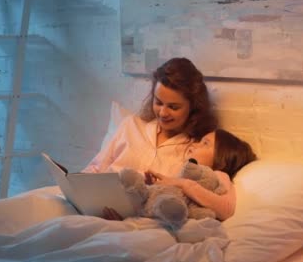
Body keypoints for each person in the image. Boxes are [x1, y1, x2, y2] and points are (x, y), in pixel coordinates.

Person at [82, 57, 217, 177]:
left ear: (193, 107)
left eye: (173, 107)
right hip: (103, 199)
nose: (163, 113)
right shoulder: (131, 125)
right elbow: (96, 168)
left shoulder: (194, 149)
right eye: (158, 102)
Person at [105, 129, 257, 221]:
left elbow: (226, 209)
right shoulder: (182, 174)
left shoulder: (219, 175)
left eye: (205, 143)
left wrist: (182, 184)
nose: (194, 144)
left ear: (221, 158)